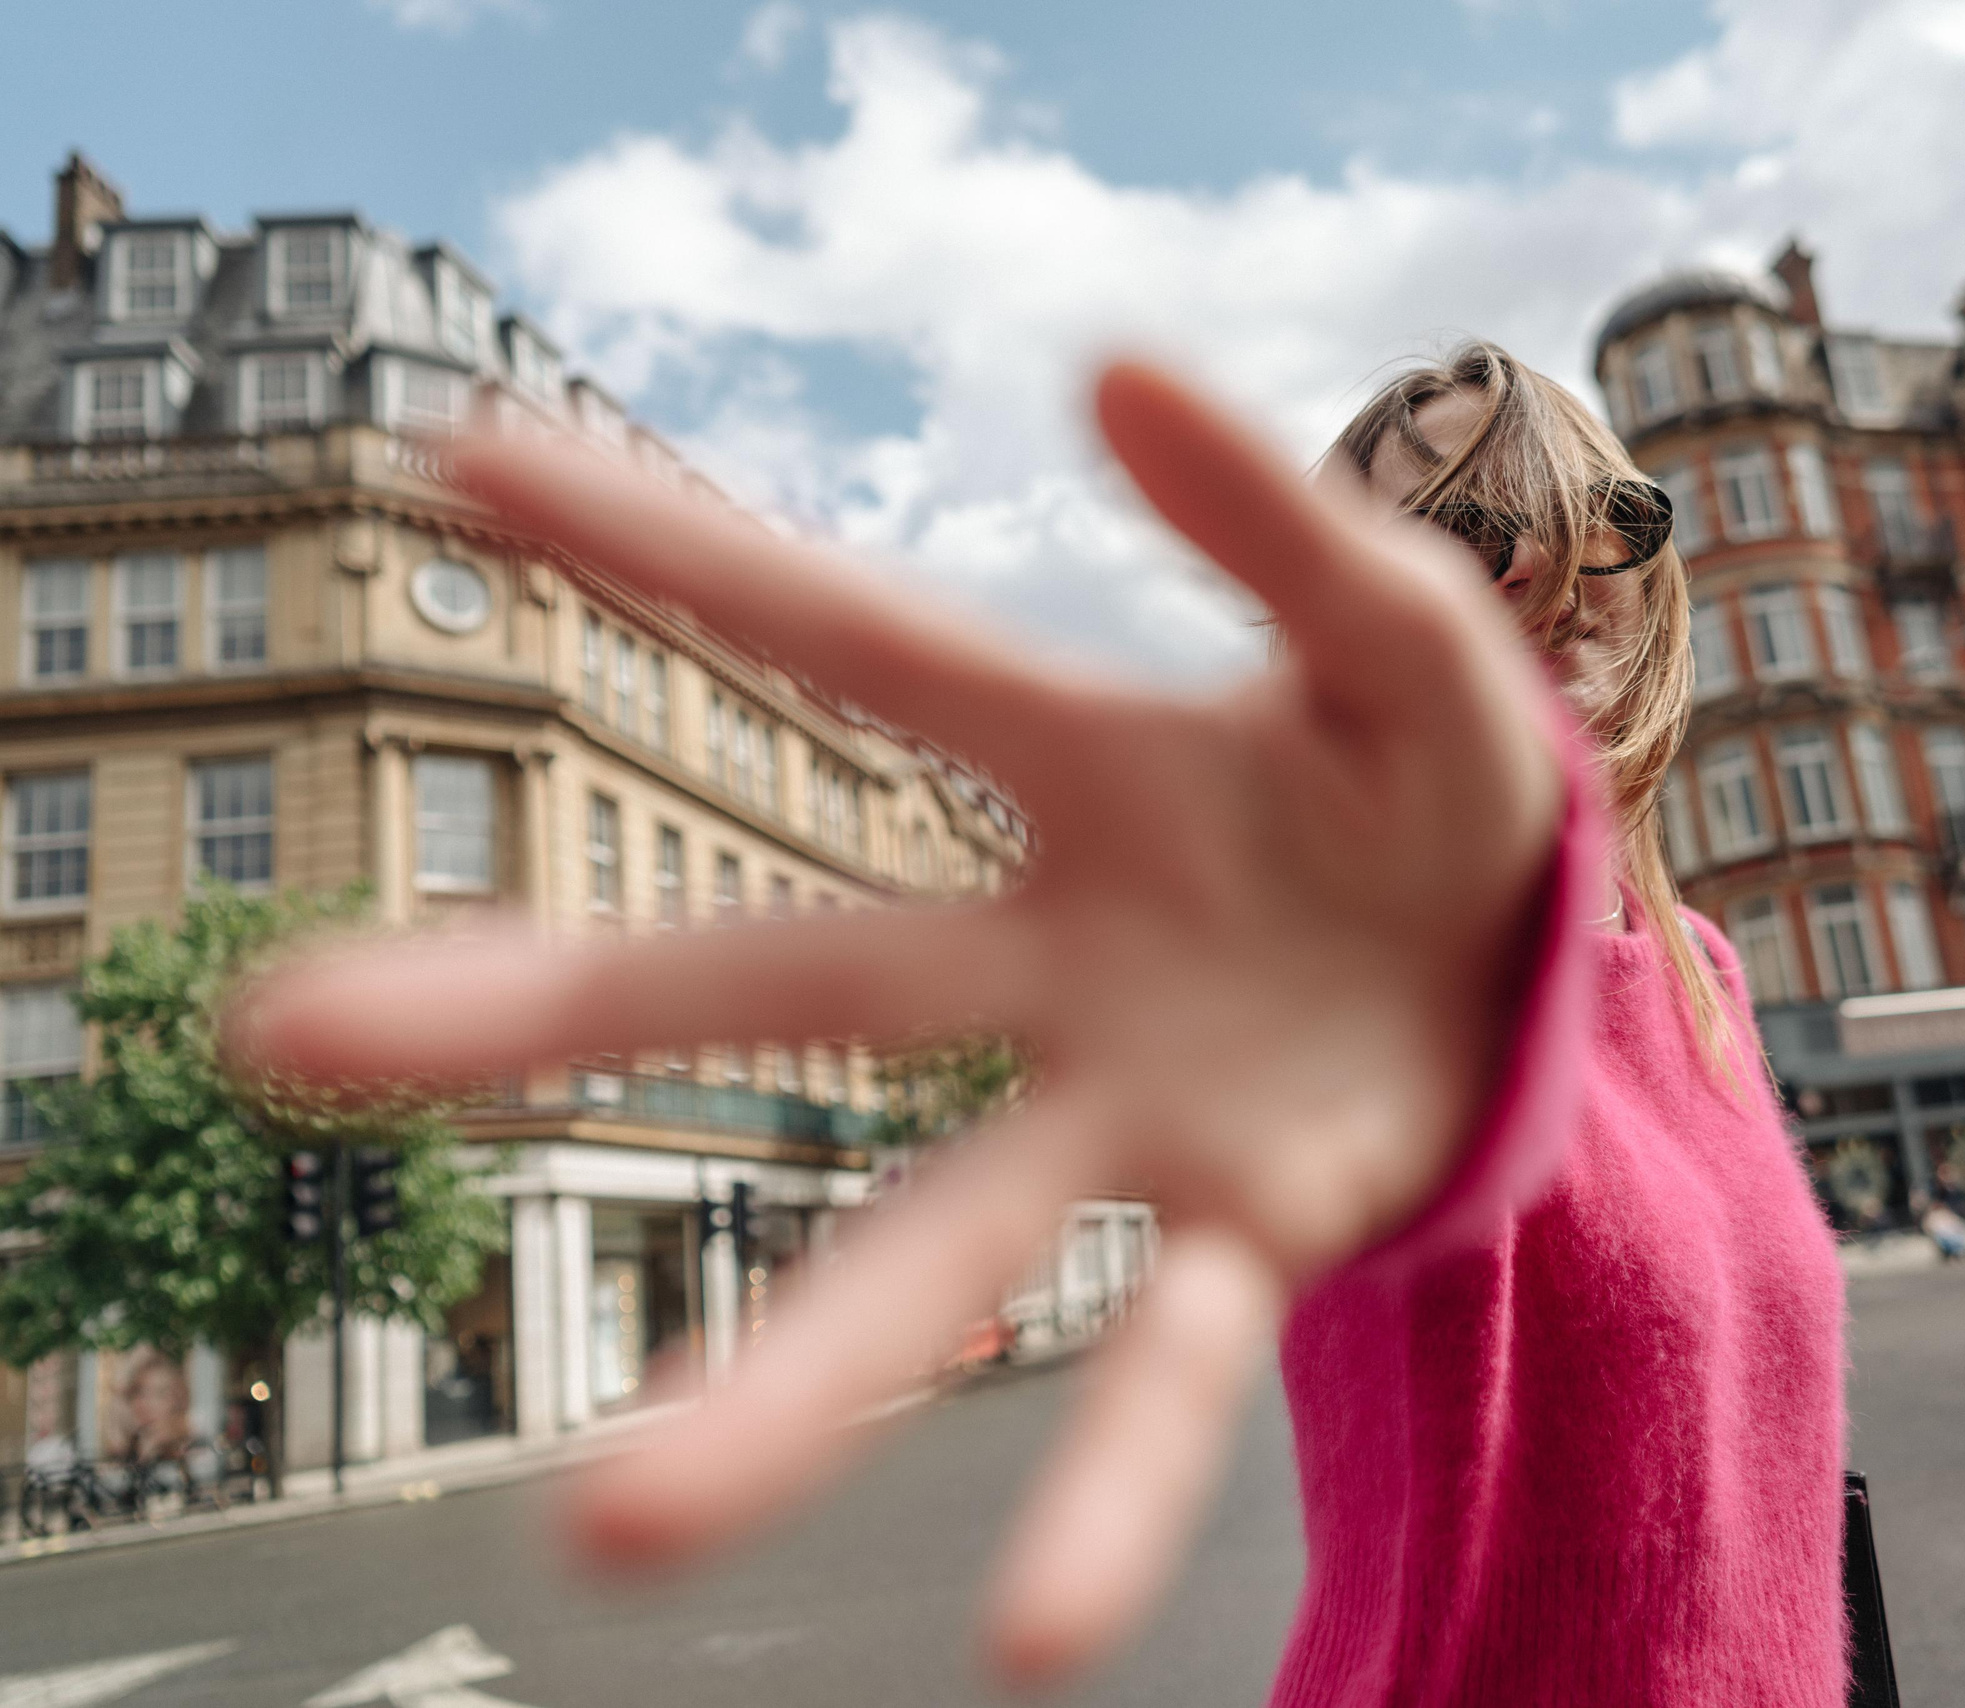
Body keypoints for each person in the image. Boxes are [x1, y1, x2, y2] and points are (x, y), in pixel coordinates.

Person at [228, 345, 1851, 1703]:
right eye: (1463, 532)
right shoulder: (1393, 974)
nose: (1553, 562)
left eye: (1607, 512)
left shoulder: (1696, 962)